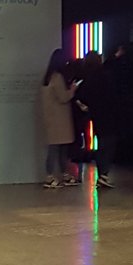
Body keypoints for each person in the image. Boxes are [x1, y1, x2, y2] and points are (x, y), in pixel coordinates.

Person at [76, 51, 120, 188]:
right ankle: (103, 174)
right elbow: (113, 95)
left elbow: (81, 96)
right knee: (109, 144)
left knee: (101, 143)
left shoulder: (87, 79)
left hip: (96, 114)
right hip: (109, 114)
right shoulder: (105, 77)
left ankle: (102, 174)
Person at [42, 49, 80, 188]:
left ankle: (57, 175)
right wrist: (72, 90)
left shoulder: (48, 77)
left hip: (53, 119)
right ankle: (54, 176)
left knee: (56, 147)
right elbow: (63, 97)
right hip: (60, 120)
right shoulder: (57, 77)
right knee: (58, 148)